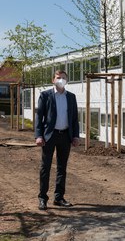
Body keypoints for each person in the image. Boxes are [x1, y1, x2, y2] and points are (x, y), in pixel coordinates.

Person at [35, 70, 80, 210]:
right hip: (49, 136)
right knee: (45, 167)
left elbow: (74, 118)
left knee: (62, 168)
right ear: (53, 80)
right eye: (58, 78)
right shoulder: (45, 95)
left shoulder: (71, 97)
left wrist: (75, 136)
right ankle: (43, 198)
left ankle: (59, 198)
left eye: (64, 78)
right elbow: (39, 117)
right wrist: (38, 135)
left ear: (67, 80)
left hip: (65, 136)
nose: (61, 80)